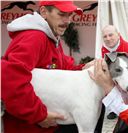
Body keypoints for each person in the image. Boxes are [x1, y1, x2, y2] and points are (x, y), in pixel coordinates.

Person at [1, 1, 98, 133]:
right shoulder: (35, 37)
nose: (67, 21)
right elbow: (10, 79)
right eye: (62, 14)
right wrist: (39, 115)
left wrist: (83, 68)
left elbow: (63, 68)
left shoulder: (51, 38)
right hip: (26, 127)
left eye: (69, 15)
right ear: (44, 12)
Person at [101, 25, 128, 120]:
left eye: (110, 35)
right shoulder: (104, 50)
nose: (108, 38)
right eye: (105, 36)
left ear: (118, 35)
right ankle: (114, 109)